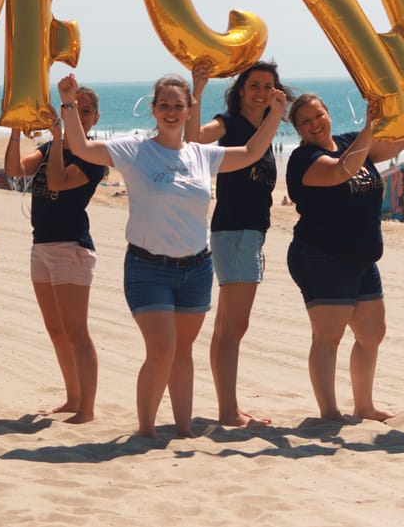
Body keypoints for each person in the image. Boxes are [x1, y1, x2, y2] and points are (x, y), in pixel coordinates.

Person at [59, 71, 286, 439]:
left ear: (189, 109)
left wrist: (276, 113)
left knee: (182, 351)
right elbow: (83, 148)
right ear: (153, 109)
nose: (170, 111)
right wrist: (69, 104)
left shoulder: (201, 155)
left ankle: (183, 430)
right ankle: (146, 431)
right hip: (148, 268)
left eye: (178, 106)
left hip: (195, 268)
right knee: (162, 349)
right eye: (163, 105)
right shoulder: (134, 151)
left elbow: (250, 153)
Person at [285, 93, 404, 423]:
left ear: (329, 113)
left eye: (319, 115)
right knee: (328, 337)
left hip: (362, 257)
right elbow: (341, 171)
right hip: (322, 257)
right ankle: (330, 412)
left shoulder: (349, 142)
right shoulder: (303, 160)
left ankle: (364, 407)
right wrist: (371, 126)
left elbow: (397, 144)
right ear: (298, 129)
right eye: (306, 121)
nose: (315, 123)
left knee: (372, 334)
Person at [187, 60, 289, 428]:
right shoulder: (229, 124)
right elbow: (194, 136)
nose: (260, 92)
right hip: (234, 232)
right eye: (254, 85)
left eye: (267, 86)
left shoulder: (266, 127)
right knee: (233, 327)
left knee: (227, 327)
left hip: (247, 236)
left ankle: (227, 407)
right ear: (241, 91)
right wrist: (196, 89)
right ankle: (229, 411)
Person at [4, 86, 106, 423]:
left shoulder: (92, 157)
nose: (79, 114)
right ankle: (73, 398)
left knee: (76, 330)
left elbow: (60, 181)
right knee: (56, 329)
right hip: (42, 245)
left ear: (95, 118)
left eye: (85, 110)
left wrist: (61, 135)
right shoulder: (50, 148)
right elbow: (15, 170)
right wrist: (17, 128)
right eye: (73, 108)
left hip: (71, 247)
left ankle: (87, 408)